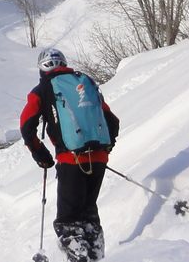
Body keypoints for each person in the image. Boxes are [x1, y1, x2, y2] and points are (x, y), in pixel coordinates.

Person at [20, 48, 120, 262]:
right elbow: (112, 120)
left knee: (69, 221)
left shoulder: (42, 89)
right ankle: (97, 257)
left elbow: (26, 126)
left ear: (42, 68)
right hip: (99, 158)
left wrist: (42, 155)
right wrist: (105, 148)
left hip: (71, 160)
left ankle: (80, 258)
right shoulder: (85, 82)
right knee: (88, 214)